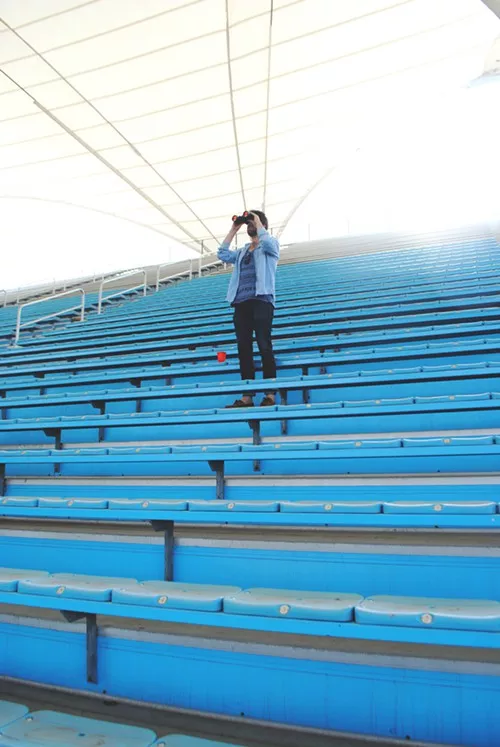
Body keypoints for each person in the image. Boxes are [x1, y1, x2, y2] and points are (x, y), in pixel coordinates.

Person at [217, 210, 280, 408]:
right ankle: (247, 396)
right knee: (244, 348)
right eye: (249, 223)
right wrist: (234, 228)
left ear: (261, 224)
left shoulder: (269, 245)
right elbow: (222, 254)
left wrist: (258, 222)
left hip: (262, 300)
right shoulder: (243, 251)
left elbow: (268, 243)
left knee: (264, 344)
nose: (250, 225)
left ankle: (270, 393)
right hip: (241, 303)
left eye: (253, 222)